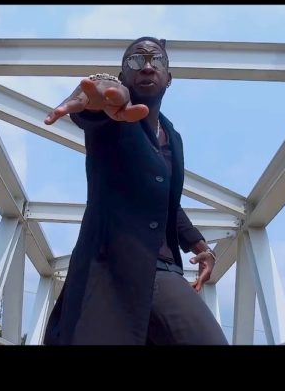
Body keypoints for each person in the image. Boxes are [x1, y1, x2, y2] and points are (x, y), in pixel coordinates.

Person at [42, 36, 228, 345]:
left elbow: (166, 201)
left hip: (163, 268)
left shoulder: (173, 136)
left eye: (157, 60)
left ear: (169, 77)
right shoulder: (113, 118)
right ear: (123, 75)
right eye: (136, 60)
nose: (147, 66)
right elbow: (96, 104)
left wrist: (199, 246)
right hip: (111, 268)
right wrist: (96, 96)